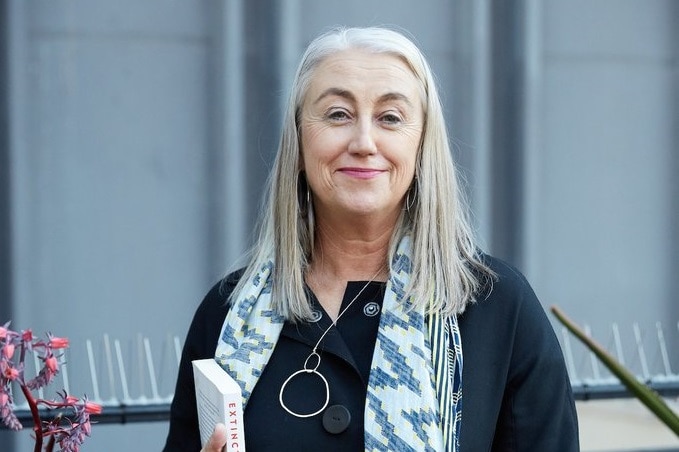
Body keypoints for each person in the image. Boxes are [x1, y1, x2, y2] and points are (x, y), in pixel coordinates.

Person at [163, 26, 579, 452]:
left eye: (390, 118)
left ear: (421, 148)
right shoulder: (227, 312)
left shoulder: (496, 306)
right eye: (338, 114)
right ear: (299, 140)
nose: (363, 142)